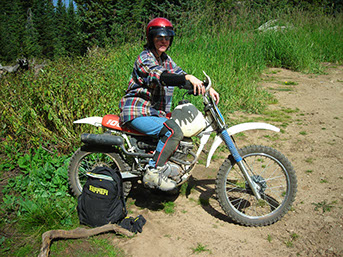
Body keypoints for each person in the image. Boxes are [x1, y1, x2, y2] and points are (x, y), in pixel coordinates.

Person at [119, 17, 219, 191]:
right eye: (158, 37)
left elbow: (179, 74)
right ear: (151, 38)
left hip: (154, 113)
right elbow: (161, 76)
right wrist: (186, 78)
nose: (163, 40)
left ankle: (168, 173)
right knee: (173, 131)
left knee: (179, 132)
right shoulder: (144, 58)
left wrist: (206, 88)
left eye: (167, 37)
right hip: (137, 111)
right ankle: (154, 171)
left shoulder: (165, 59)